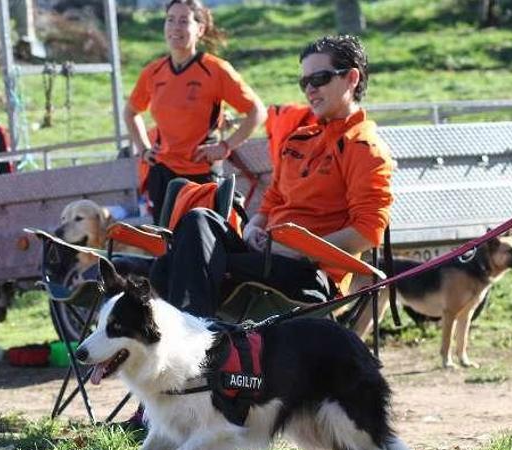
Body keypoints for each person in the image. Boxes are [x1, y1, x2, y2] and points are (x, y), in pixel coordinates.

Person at [150, 34, 394, 318]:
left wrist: (301, 249)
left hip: (309, 272)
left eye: (320, 79)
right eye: (305, 82)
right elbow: (273, 200)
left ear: (352, 78)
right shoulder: (299, 139)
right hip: (266, 255)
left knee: (176, 266)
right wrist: (255, 226)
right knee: (194, 226)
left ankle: (197, 342)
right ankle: (204, 336)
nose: (310, 90)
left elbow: (368, 232)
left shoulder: (365, 147)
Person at [124, 0, 267, 224]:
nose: (175, 27)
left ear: (199, 29)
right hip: (163, 173)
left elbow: (257, 111)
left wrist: (225, 146)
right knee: (167, 244)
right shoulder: (153, 72)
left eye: (184, 21)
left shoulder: (215, 69)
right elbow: (130, 112)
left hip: (202, 173)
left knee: (202, 241)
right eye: (170, 20)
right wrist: (143, 149)